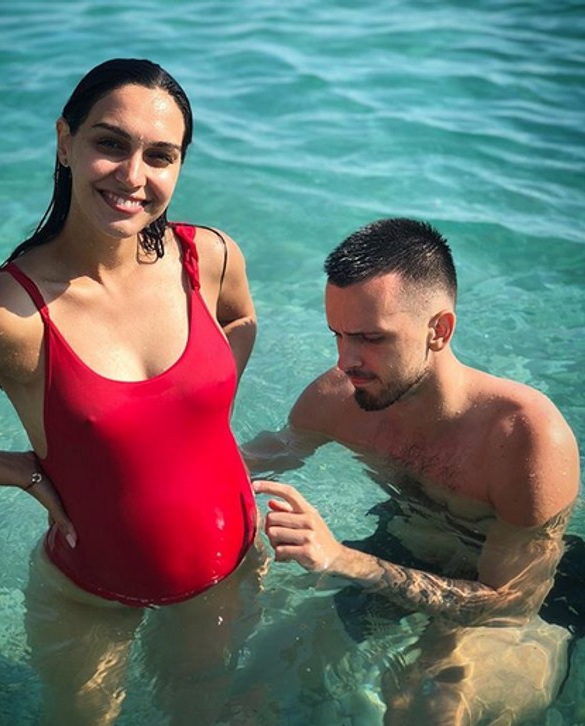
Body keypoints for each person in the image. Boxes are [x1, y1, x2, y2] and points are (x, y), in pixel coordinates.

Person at [0, 58, 262, 725]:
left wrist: (202, 410)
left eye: (160, 156)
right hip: (90, 596)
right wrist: (18, 471)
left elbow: (241, 320)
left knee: (208, 712)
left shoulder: (208, 257)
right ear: (64, 142)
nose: (133, 175)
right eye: (110, 143)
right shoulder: (13, 314)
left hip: (232, 564)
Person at [247, 218, 581, 725]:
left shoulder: (524, 436)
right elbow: (249, 462)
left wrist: (343, 560)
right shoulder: (340, 397)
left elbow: (510, 604)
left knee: (426, 711)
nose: (346, 361)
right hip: (403, 548)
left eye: (371, 337)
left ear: (438, 330)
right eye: (337, 334)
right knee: (255, 691)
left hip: (522, 603)